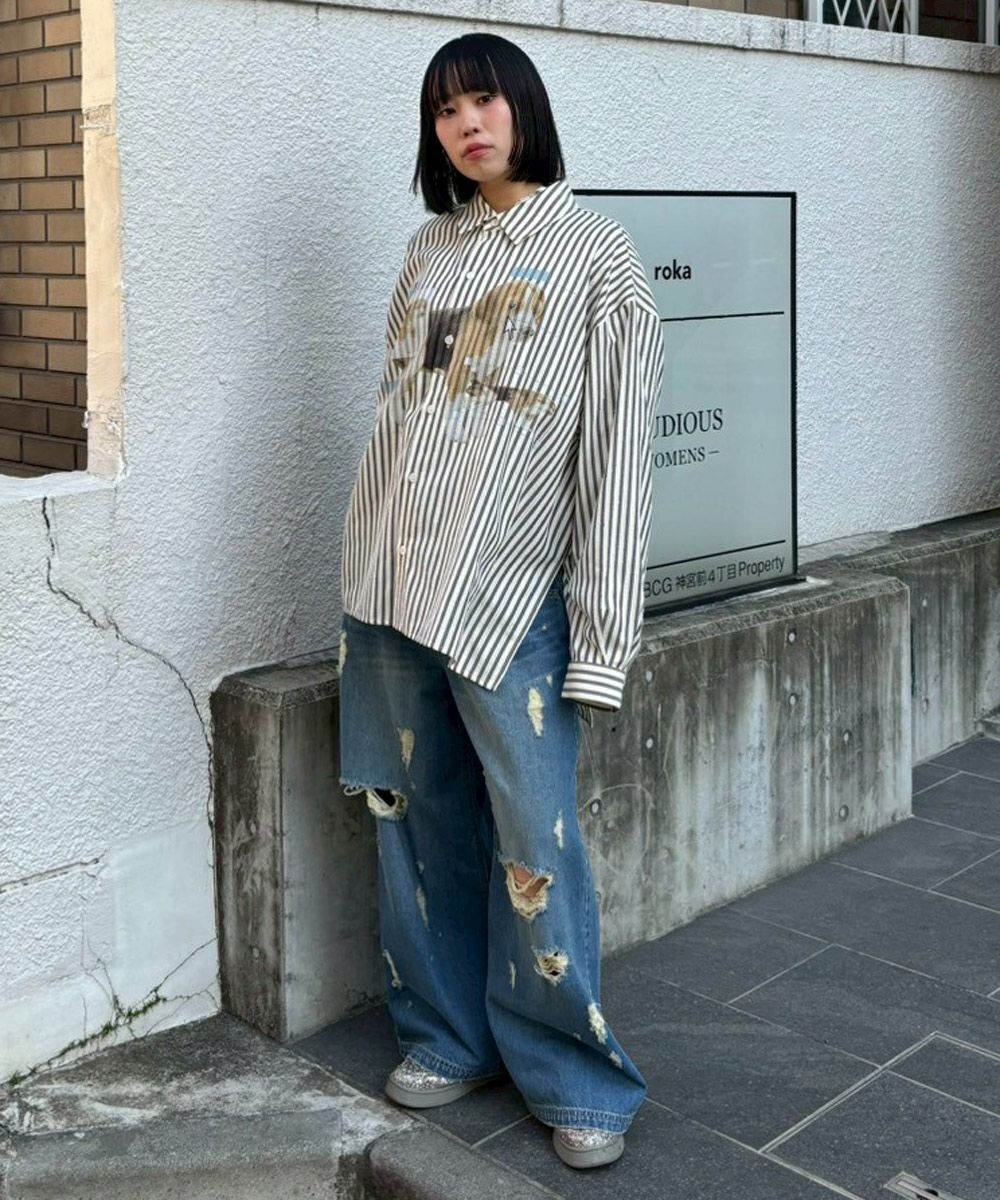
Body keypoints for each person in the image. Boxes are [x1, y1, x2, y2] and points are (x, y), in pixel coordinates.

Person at [337, 31, 664, 1170]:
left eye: (482, 100)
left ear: (523, 106)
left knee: (535, 841)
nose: (466, 125)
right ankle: (446, 1035)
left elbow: (616, 463)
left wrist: (601, 636)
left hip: (508, 594)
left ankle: (576, 1077)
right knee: (413, 821)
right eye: (444, 111)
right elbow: (403, 414)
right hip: (388, 584)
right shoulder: (426, 250)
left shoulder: (597, 257)